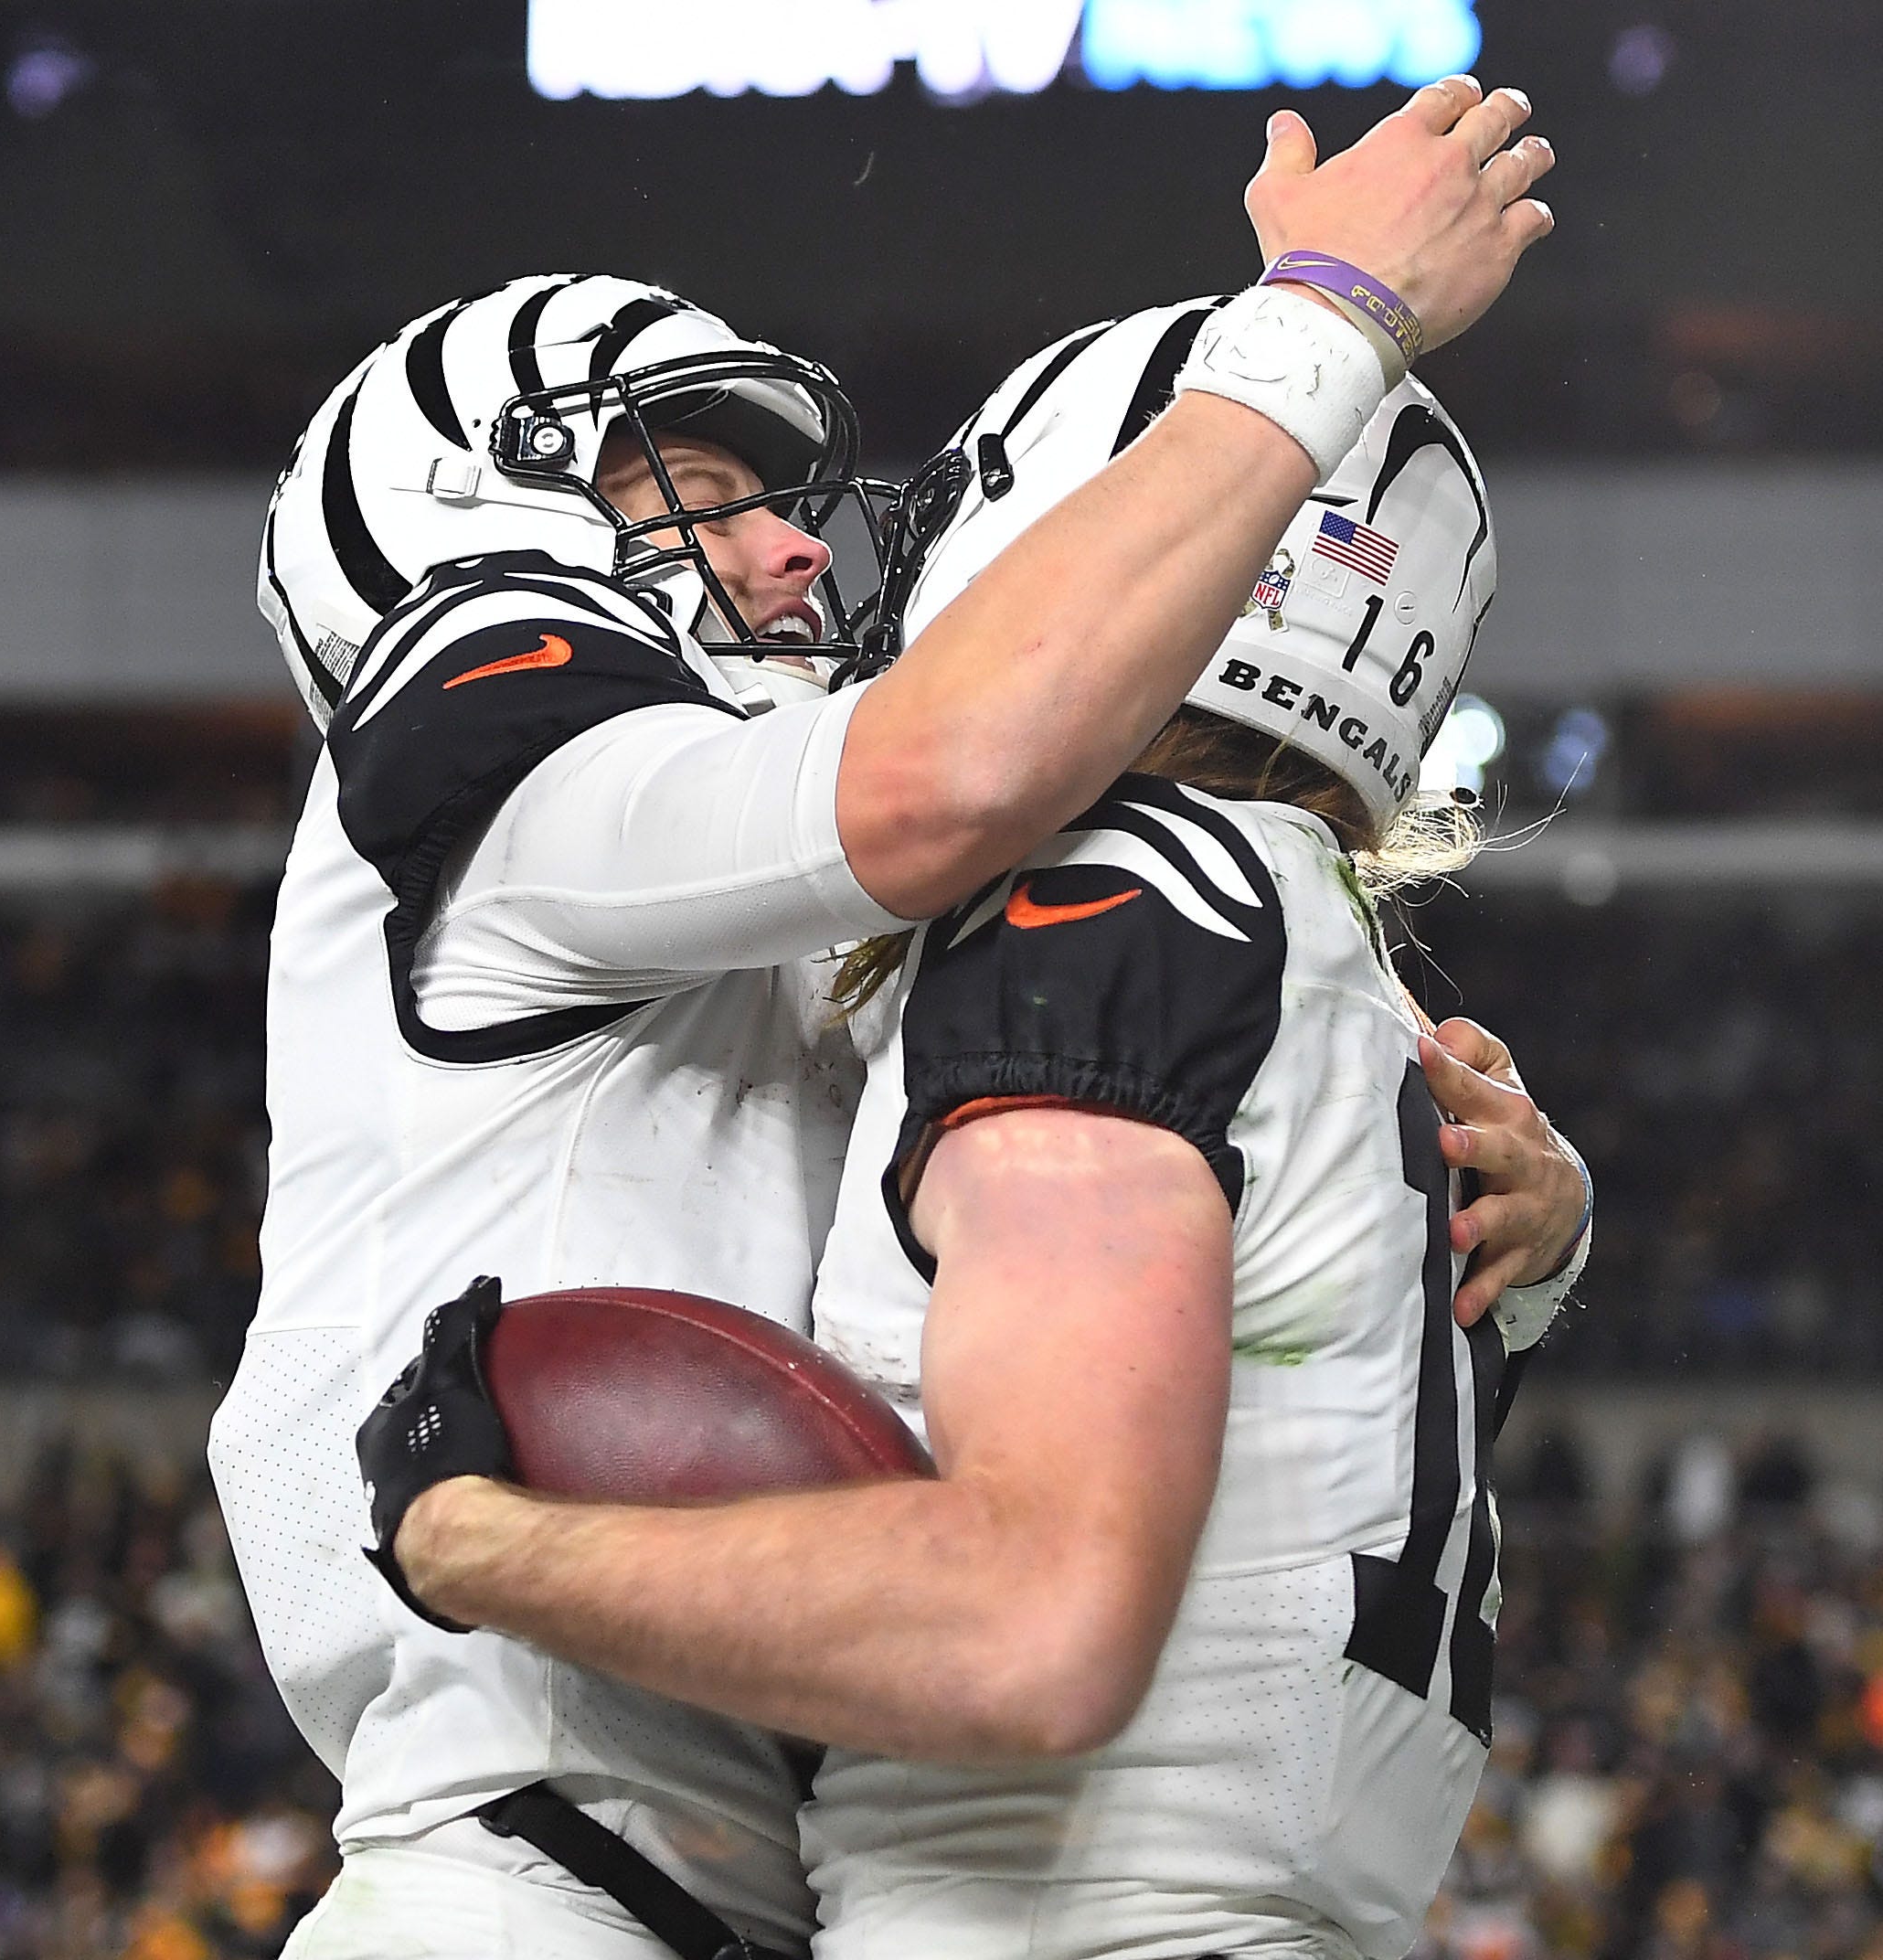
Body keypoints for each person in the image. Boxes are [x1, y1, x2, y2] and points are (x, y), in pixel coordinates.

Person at [212, 80, 1562, 1960]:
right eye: (693, 497)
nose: (793, 555)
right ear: (478, 522)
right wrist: (1316, 317)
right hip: (537, 1868)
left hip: (769, 1852)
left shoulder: (1038, 920)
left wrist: (1527, 1218)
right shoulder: (494, 767)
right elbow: (948, 773)